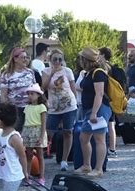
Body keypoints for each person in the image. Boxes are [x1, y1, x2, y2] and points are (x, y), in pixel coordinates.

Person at [74, 47, 112, 178]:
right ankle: (86, 165)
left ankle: (99, 168)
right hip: (89, 110)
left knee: (99, 139)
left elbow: (99, 94)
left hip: (98, 109)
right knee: (83, 138)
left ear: (85, 60)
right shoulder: (88, 73)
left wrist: (94, 113)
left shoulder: (98, 73)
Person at [42, 49, 77, 171]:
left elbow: (73, 89)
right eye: (55, 59)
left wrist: (76, 103)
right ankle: (45, 153)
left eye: (60, 59)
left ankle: (64, 160)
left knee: (68, 131)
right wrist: (51, 73)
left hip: (69, 105)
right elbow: (43, 88)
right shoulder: (46, 71)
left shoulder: (68, 71)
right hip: (53, 107)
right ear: (50, 60)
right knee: (49, 131)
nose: (57, 62)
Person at [0, 47, 36, 132]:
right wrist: (6, 111)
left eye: (26, 57)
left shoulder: (30, 72)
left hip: (29, 109)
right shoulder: (6, 75)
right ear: (15, 59)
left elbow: (35, 90)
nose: (25, 60)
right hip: (15, 110)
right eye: (23, 57)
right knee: (16, 133)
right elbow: (3, 95)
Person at [22, 84, 47, 185]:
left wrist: (41, 136)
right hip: (28, 132)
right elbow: (25, 121)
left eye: (32, 94)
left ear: (38, 95)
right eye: (28, 94)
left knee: (40, 155)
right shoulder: (27, 107)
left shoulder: (42, 107)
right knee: (28, 155)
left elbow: (43, 123)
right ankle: (27, 176)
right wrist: (22, 133)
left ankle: (41, 176)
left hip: (37, 131)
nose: (30, 96)